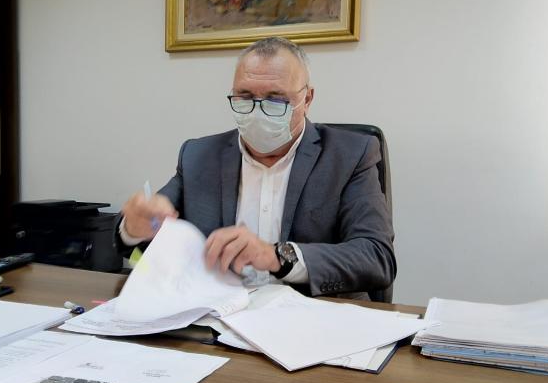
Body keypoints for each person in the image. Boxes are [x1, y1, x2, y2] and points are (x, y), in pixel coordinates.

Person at [116, 37, 396, 299]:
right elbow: (149, 239)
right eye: (245, 96)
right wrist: (136, 228)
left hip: (314, 320)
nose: (257, 111)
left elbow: (376, 257)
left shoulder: (349, 155)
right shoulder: (199, 156)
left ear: (307, 99)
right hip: (218, 316)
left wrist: (276, 256)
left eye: (276, 99)